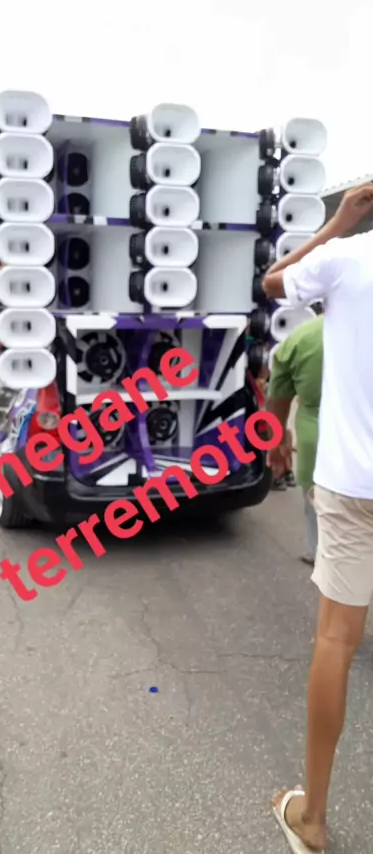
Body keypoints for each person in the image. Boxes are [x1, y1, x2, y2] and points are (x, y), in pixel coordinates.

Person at [262, 182, 373, 853]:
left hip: (352, 483)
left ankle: (313, 819)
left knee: (336, 639)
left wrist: (336, 225)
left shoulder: (347, 258)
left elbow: (273, 282)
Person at [267, 313, 323, 566]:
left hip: (318, 436)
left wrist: (277, 443)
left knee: (316, 501)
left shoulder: (301, 337)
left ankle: (317, 552)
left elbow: (278, 399)